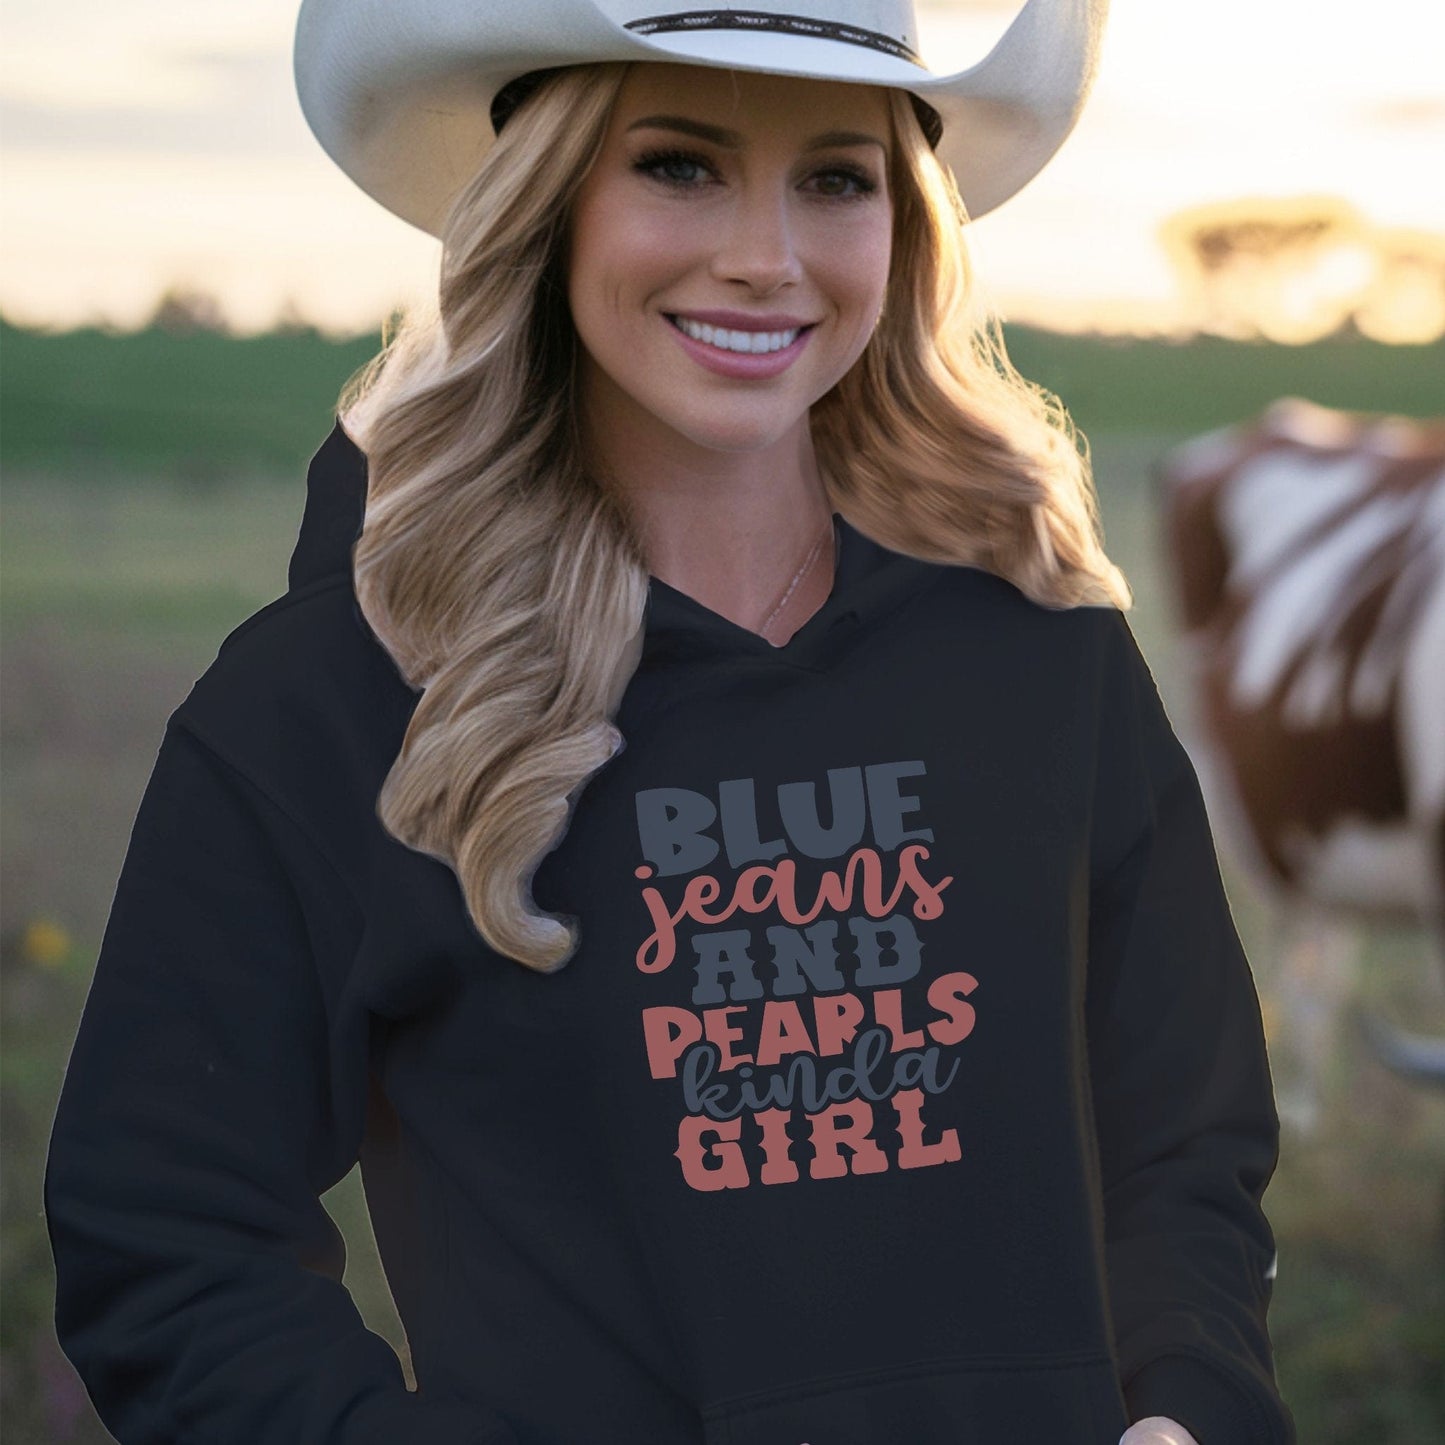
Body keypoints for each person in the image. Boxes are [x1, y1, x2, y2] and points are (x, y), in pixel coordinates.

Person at [43, 2, 1297, 1442]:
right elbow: (166, 1237)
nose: (765, 253)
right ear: (547, 206)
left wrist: (1184, 1414)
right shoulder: (330, 699)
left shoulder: (1043, 649)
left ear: (906, 223)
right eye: (679, 164)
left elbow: (1186, 1141)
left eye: (836, 177)